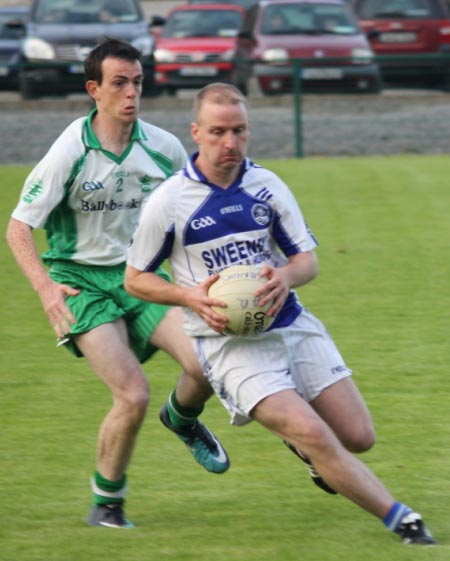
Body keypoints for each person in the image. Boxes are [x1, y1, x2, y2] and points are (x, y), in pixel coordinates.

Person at [124, 82, 435, 545]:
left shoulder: (267, 186)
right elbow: (135, 279)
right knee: (314, 433)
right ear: (196, 132)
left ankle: (306, 443)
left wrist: (286, 277)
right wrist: (190, 298)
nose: (229, 142)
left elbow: (307, 260)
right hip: (228, 347)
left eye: (239, 131)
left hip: (291, 324)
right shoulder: (170, 201)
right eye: (217, 132)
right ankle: (403, 520)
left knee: (358, 436)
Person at [5, 39, 230, 530]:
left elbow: (191, 216)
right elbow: (18, 227)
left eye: (138, 83)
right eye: (119, 84)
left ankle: (183, 419)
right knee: (132, 393)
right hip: (78, 280)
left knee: (207, 363)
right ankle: (107, 503)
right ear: (94, 90)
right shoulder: (70, 149)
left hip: (139, 277)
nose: (131, 94)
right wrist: (45, 290)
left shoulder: (163, 148)